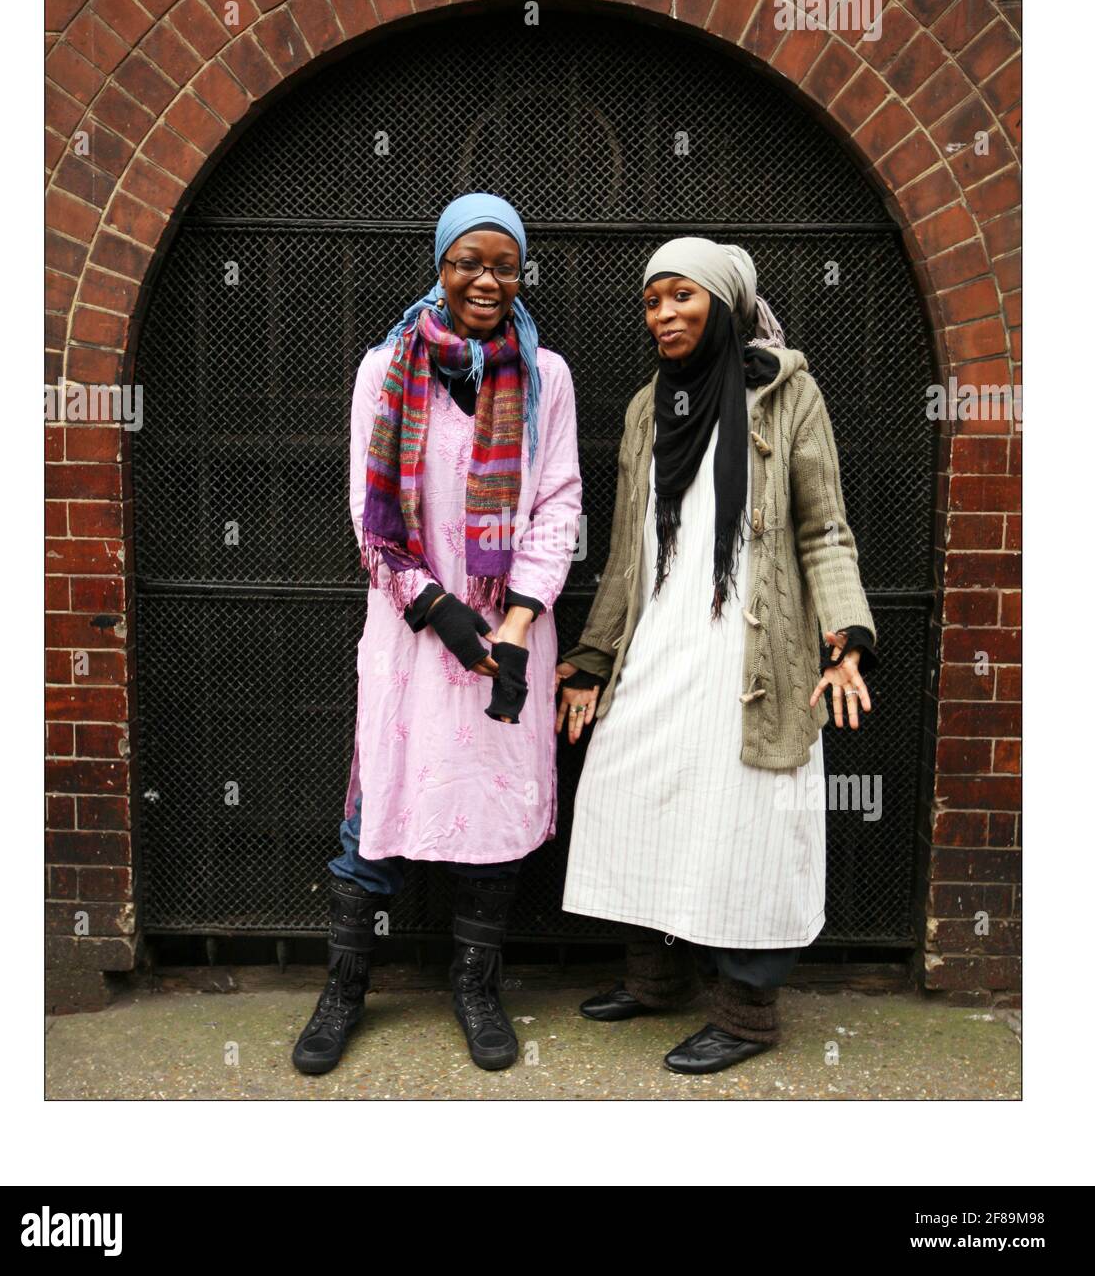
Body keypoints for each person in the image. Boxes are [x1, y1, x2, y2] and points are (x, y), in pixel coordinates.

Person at [555, 238, 877, 1075]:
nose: (662, 314)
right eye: (652, 300)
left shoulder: (786, 392)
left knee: (749, 823)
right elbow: (627, 549)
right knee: (632, 787)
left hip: (752, 648)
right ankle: (655, 978)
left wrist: (847, 637)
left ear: (724, 305)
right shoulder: (644, 407)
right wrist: (593, 658)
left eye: (681, 298)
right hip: (662, 638)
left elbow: (824, 526)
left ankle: (746, 1013)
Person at [292, 193, 581, 1076]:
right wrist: (438, 612)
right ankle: (344, 989)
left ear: (521, 272)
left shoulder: (547, 377)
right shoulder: (386, 368)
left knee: (489, 811)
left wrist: (517, 624)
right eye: (469, 261)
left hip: (509, 633)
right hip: (411, 636)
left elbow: (559, 501)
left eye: (504, 263)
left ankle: (476, 988)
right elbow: (369, 517)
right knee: (378, 808)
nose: (487, 279)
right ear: (441, 266)